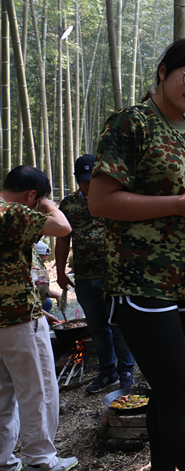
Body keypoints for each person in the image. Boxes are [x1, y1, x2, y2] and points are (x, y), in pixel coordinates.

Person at [89, 38, 185, 471]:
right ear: (164, 70)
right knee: (177, 396)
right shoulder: (130, 123)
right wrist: (177, 204)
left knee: (165, 391)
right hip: (142, 281)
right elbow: (101, 201)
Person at [1, 165, 77, 471]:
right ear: (30, 195)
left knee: (3, 396)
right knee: (39, 390)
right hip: (18, 317)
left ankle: (4, 461)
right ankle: (41, 461)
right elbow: (62, 227)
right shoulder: (13, 212)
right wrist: (46, 202)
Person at [55, 154, 136, 394]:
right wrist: (60, 272)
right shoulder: (68, 204)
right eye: (83, 181)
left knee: (118, 325)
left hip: (113, 274)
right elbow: (62, 240)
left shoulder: (115, 197)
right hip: (84, 276)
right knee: (96, 328)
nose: (87, 185)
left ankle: (126, 371)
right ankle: (107, 371)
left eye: (91, 179)